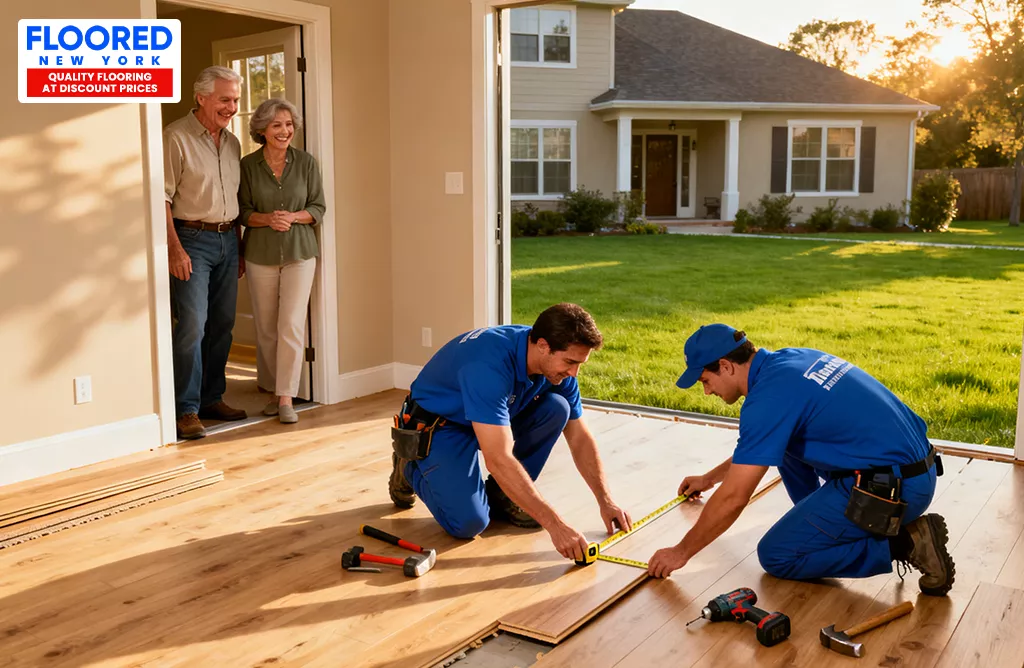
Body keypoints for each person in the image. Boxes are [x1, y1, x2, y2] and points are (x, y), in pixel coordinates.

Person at [647, 324, 955, 597]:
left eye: (705, 380)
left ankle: (907, 542)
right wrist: (710, 479)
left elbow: (733, 499)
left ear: (726, 366)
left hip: (891, 491)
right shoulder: (791, 360)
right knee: (786, 447)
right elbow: (760, 446)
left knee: (777, 555)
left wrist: (680, 552)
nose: (706, 391)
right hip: (914, 470)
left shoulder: (766, 399)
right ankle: (823, 529)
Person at [388, 303, 633, 562]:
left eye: (580, 363)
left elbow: (580, 437)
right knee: (469, 524)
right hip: (441, 425)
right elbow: (498, 459)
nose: (574, 373)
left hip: (487, 415)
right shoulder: (488, 366)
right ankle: (409, 465)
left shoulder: (552, 363)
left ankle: (503, 495)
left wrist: (606, 501)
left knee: (557, 407)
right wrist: (556, 525)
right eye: (570, 362)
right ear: (542, 346)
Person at [164, 66, 248, 440]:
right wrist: (174, 248)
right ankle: (186, 410)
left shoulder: (232, 143)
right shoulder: (175, 137)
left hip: (228, 239)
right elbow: (161, 198)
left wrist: (240, 247)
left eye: (235, 100)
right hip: (191, 239)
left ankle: (213, 397)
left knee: (223, 325)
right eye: (224, 99)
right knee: (193, 326)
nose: (232, 107)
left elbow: (237, 199)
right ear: (201, 98)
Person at [238, 98, 326, 424]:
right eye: (277, 125)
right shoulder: (247, 166)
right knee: (266, 328)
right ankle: (275, 390)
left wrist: (293, 217)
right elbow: (244, 211)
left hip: (300, 254)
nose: (285, 131)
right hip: (260, 254)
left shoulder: (306, 163)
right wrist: (266, 219)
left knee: (290, 324)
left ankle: (286, 396)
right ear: (262, 129)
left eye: (288, 124)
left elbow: (318, 207)